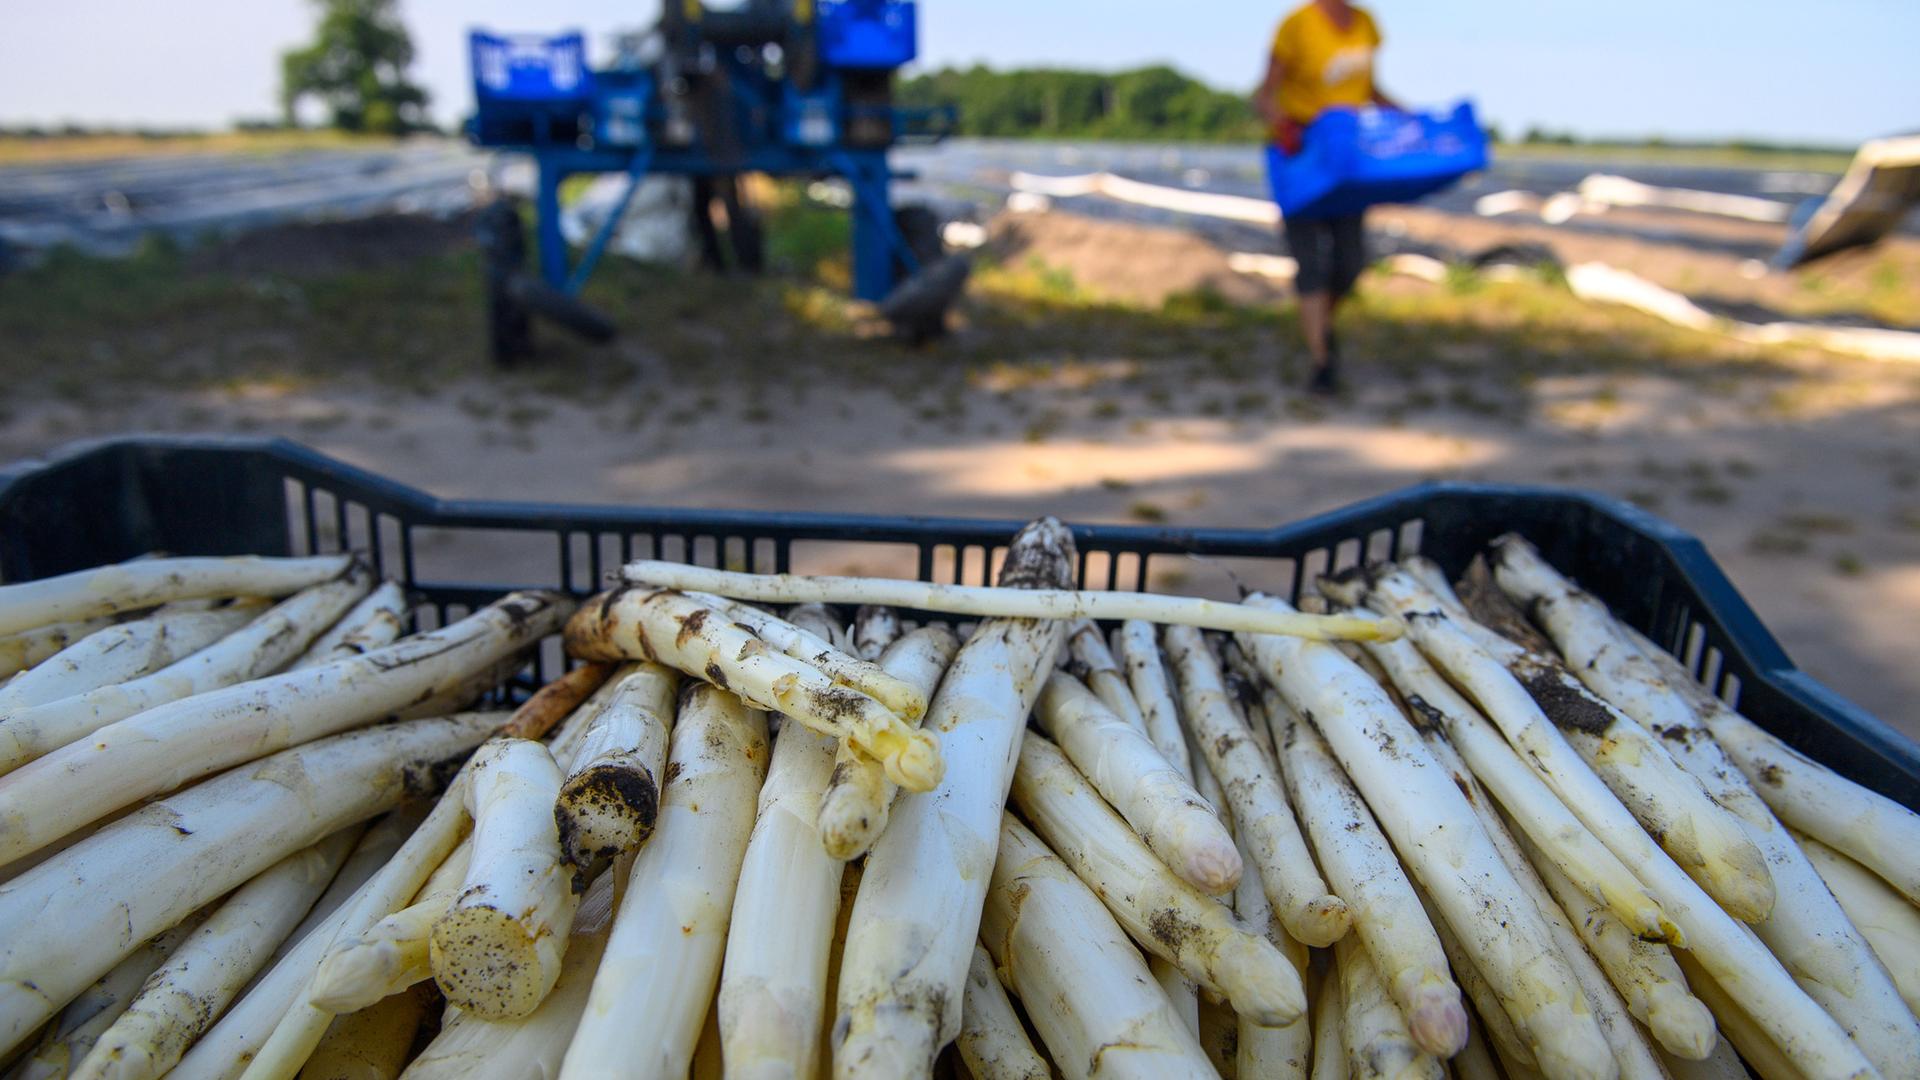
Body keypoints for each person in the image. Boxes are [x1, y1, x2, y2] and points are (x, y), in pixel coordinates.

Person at [1255, 0, 1401, 394]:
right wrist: (1281, 125)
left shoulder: (1366, 23)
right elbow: (1264, 94)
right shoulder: (1296, 25)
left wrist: (1406, 117)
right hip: (1302, 153)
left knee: (1351, 261)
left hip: (1348, 158)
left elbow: (1368, 89)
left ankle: (1321, 324)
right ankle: (1322, 362)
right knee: (1311, 263)